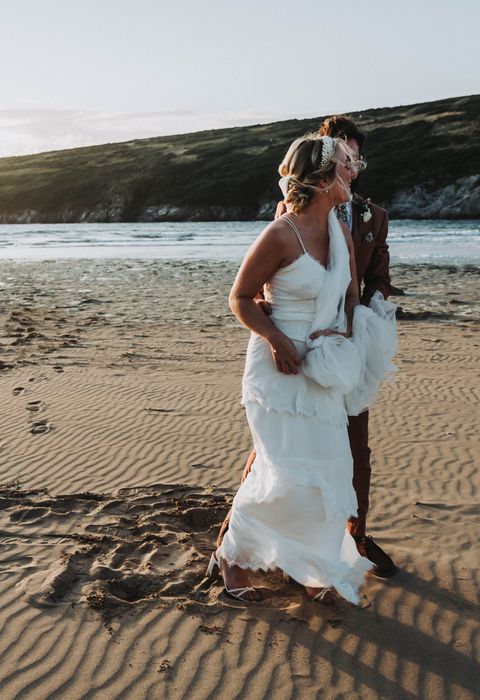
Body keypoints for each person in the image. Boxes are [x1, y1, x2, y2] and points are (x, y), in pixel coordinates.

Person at [207, 133, 395, 604]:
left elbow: (351, 296)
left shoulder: (338, 231)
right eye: (346, 165)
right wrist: (274, 339)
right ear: (325, 178)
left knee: (328, 469)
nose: (354, 173)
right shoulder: (280, 233)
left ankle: (310, 561)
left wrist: (344, 336)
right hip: (279, 371)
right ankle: (232, 559)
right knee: (282, 468)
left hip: (323, 372)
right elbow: (240, 298)